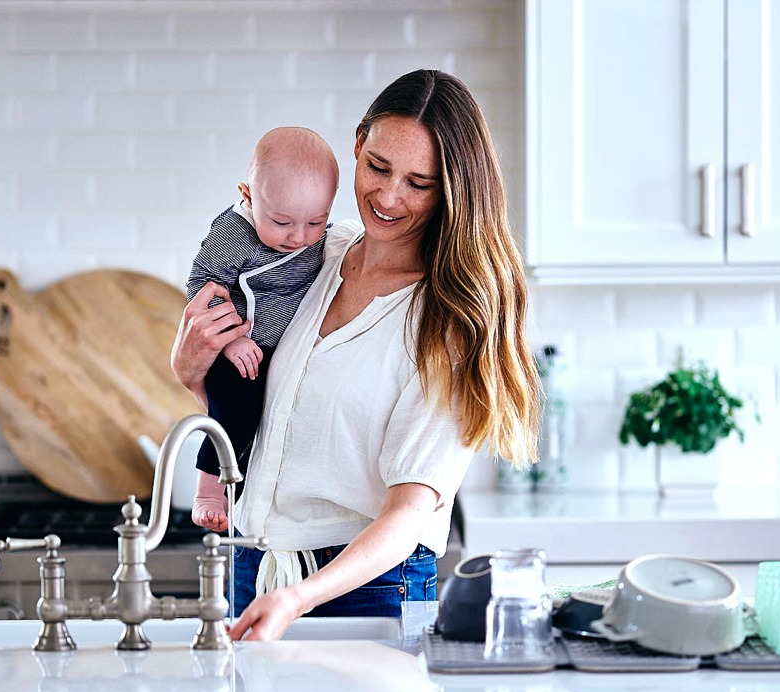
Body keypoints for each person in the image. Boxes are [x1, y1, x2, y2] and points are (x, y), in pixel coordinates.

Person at [170, 69, 543, 641]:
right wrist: (192, 374)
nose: (390, 197)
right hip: (255, 567)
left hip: (364, 588)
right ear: (357, 146)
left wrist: (301, 597)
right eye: (378, 167)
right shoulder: (318, 253)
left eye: (419, 182)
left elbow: (409, 513)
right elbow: (261, 416)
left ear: (453, 190)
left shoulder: (450, 318)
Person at [185, 126, 340, 531]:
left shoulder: (327, 238)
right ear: (248, 195)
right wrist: (232, 338)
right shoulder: (234, 234)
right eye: (282, 222)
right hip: (238, 349)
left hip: (281, 351)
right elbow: (202, 283)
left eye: (315, 222)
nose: (299, 237)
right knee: (235, 415)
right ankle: (206, 489)